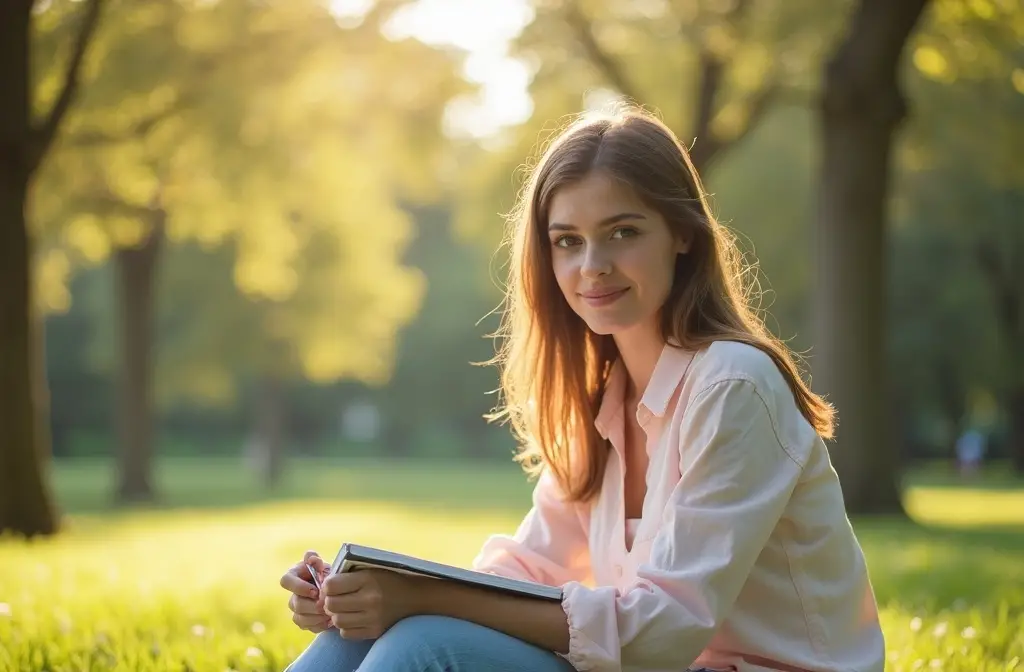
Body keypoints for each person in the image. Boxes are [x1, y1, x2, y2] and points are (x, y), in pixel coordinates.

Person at [278, 108, 886, 672]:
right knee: (352, 638)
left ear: (682, 233)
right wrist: (358, 594)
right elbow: (529, 568)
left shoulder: (733, 385)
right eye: (567, 240)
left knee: (422, 644)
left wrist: (419, 604)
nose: (591, 264)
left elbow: (661, 631)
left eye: (622, 232)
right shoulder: (602, 399)